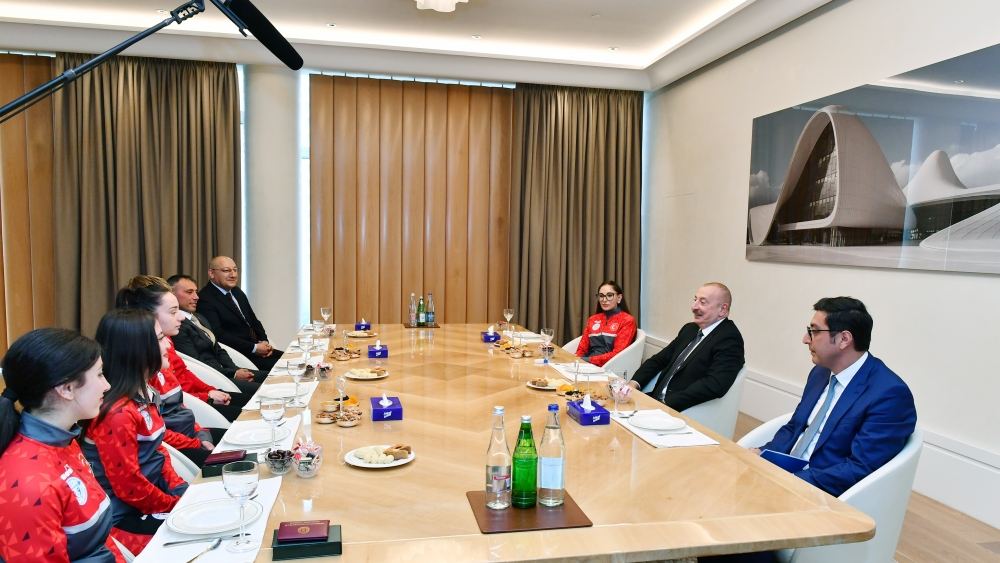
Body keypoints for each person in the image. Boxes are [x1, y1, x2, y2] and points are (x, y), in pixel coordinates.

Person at [753, 297, 917, 497]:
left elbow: (859, 469)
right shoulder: (820, 372)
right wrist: (761, 455)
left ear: (843, 339)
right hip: (783, 478)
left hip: (822, 495)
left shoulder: (889, 395)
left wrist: (790, 482)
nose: (805, 339)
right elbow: (795, 427)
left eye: (813, 331)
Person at [0, 329, 126, 563]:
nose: (107, 385)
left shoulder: (63, 440)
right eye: (99, 375)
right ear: (66, 389)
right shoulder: (28, 485)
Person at [83, 309, 190, 554]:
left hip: (153, 499)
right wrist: (174, 503)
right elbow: (130, 488)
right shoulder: (117, 413)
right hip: (126, 518)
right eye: (161, 338)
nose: (168, 344)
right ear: (137, 350)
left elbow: (158, 451)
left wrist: (179, 490)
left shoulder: (145, 392)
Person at [118, 275, 256, 421]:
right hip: (185, 411)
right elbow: (168, 398)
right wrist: (206, 397)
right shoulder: (144, 351)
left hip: (191, 405)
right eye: (173, 312)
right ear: (148, 314)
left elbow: (183, 373)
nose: (182, 317)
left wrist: (209, 390)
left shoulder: (167, 338)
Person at [629, 282, 745, 411]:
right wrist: (633, 384)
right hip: (654, 400)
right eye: (695, 300)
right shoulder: (690, 329)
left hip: (680, 410)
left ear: (723, 310)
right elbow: (659, 360)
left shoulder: (729, 339)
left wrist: (664, 404)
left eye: (703, 302)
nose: (694, 307)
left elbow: (714, 385)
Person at [167, 273, 267, 384]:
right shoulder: (177, 326)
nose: (196, 297)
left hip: (226, 371)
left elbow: (218, 349)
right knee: (267, 388)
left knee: (274, 378)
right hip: (213, 379)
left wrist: (235, 369)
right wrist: (232, 374)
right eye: (189, 292)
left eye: (196, 292)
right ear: (172, 294)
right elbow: (197, 363)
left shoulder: (200, 317)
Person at [196, 256, 283, 371]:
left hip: (258, 349)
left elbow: (254, 321)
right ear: (211, 273)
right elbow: (219, 335)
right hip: (241, 355)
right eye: (226, 270)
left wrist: (264, 341)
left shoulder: (237, 292)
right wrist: (254, 348)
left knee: (297, 360)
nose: (233, 275)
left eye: (235, 270)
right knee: (288, 368)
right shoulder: (205, 298)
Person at [574, 280, 637, 367]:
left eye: (609, 295)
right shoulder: (593, 319)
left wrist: (588, 360)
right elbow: (582, 349)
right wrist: (576, 361)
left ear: (619, 298)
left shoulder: (627, 320)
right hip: (586, 365)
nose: (604, 300)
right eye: (601, 296)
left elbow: (617, 354)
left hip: (609, 367)